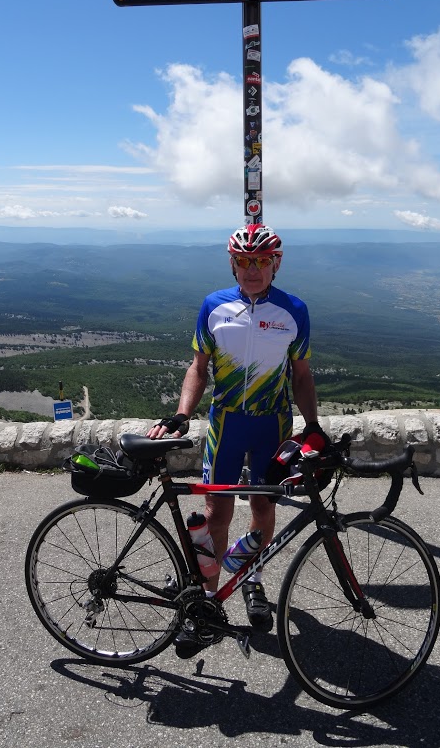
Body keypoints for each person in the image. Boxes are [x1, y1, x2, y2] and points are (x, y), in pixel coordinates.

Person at [148, 223, 323, 657]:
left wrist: (313, 425)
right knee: (217, 511)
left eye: (261, 261)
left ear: (275, 264)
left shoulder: (294, 310)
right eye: (244, 261)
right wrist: (182, 414)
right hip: (226, 423)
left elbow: (301, 375)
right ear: (233, 263)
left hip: (272, 423)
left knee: (263, 508)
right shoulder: (214, 306)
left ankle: (251, 579)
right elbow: (198, 368)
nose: (252, 269)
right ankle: (209, 598)